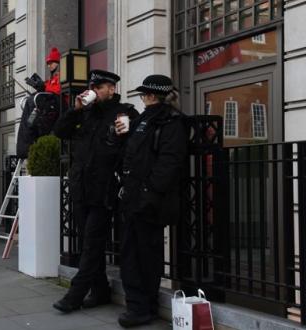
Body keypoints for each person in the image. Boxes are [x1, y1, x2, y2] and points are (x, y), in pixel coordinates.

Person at [52, 70, 138, 313]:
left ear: (111, 89)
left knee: (91, 243)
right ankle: (100, 291)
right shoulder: (85, 113)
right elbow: (59, 131)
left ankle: (74, 295)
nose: (94, 91)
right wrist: (75, 108)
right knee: (90, 243)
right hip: (81, 187)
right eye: (93, 87)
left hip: (104, 189)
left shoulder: (125, 112)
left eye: (98, 87)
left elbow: (133, 144)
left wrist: (128, 130)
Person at [116, 74, 187, 327]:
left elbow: (169, 163)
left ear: (152, 95)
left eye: (144, 94)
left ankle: (144, 308)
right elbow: (130, 154)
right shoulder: (143, 119)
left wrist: (148, 193)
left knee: (146, 255)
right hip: (133, 198)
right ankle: (138, 306)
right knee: (130, 254)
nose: (142, 98)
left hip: (150, 202)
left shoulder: (171, 122)